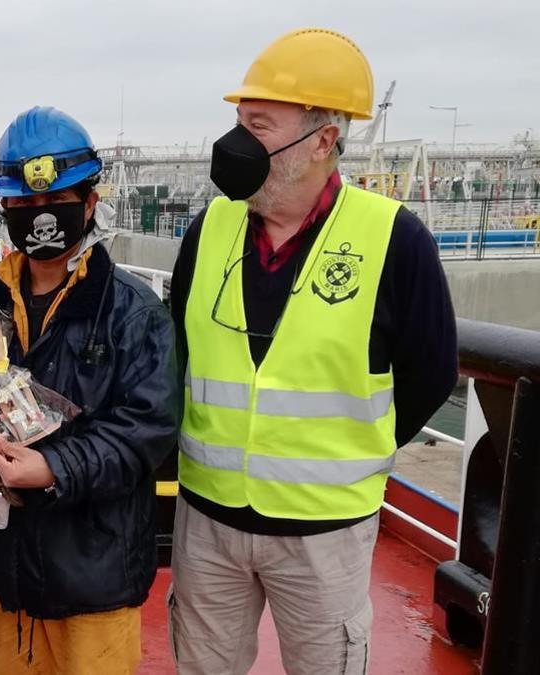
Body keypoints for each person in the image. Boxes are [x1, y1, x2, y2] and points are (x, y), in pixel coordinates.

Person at [167, 28, 458, 674]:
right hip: (209, 520)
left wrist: (349, 450)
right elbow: (178, 352)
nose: (236, 144)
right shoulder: (207, 229)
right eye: (238, 122)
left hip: (324, 535)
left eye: (260, 126)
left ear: (323, 140)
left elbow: (432, 370)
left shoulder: (394, 241)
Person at [0, 106, 180, 674]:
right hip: (6, 572)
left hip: (94, 579)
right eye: (21, 205)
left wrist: (53, 468)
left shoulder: (132, 311)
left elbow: (146, 432)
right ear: (3, 210)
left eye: (57, 201)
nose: (39, 216)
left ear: (90, 203)